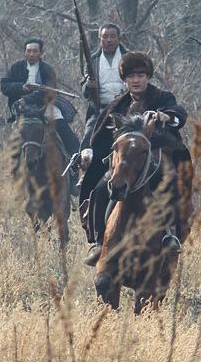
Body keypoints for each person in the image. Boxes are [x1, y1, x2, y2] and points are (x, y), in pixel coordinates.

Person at [78, 51, 191, 266]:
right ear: (125, 80)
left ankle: (170, 234)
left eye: (140, 75)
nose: (136, 80)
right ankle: (99, 241)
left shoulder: (162, 98)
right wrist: (90, 153)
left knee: (171, 183)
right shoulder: (116, 106)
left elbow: (179, 114)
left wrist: (166, 116)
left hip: (156, 158)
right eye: (131, 76)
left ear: (148, 77)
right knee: (101, 189)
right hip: (124, 165)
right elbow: (99, 136)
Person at [0, 38, 80, 159]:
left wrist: (27, 99)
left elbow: (49, 91)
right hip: (21, 109)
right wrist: (21, 87)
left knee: (61, 125)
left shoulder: (47, 69)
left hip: (44, 106)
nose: (31, 54)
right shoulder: (16, 67)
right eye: (29, 51)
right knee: (12, 140)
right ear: (25, 52)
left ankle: (76, 157)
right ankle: (9, 166)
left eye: (35, 51)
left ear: (41, 53)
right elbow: (4, 86)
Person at [81, 23, 128, 133]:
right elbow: (84, 91)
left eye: (112, 36)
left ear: (118, 38)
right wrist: (88, 85)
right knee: (88, 137)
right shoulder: (92, 61)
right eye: (105, 36)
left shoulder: (129, 57)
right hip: (100, 111)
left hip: (127, 109)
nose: (109, 40)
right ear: (100, 39)